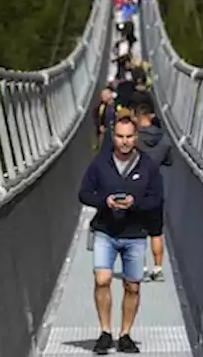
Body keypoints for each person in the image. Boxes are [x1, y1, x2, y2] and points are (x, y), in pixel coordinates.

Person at [79, 116, 164, 354]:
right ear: (113, 137)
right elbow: (84, 193)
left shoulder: (148, 166)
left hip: (135, 233)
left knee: (132, 286)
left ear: (135, 137)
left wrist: (134, 204)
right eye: (120, 136)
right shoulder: (100, 163)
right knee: (102, 279)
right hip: (106, 230)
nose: (125, 141)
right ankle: (105, 332)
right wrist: (104, 202)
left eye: (129, 136)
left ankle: (125, 335)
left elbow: (156, 199)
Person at [132, 100, 172, 282]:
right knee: (156, 232)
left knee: (138, 232)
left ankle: (142, 267)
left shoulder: (135, 139)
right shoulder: (164, 139)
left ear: (139, 118)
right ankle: (158, 269)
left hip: (137, 189)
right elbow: (169, 161)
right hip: (156, 189)